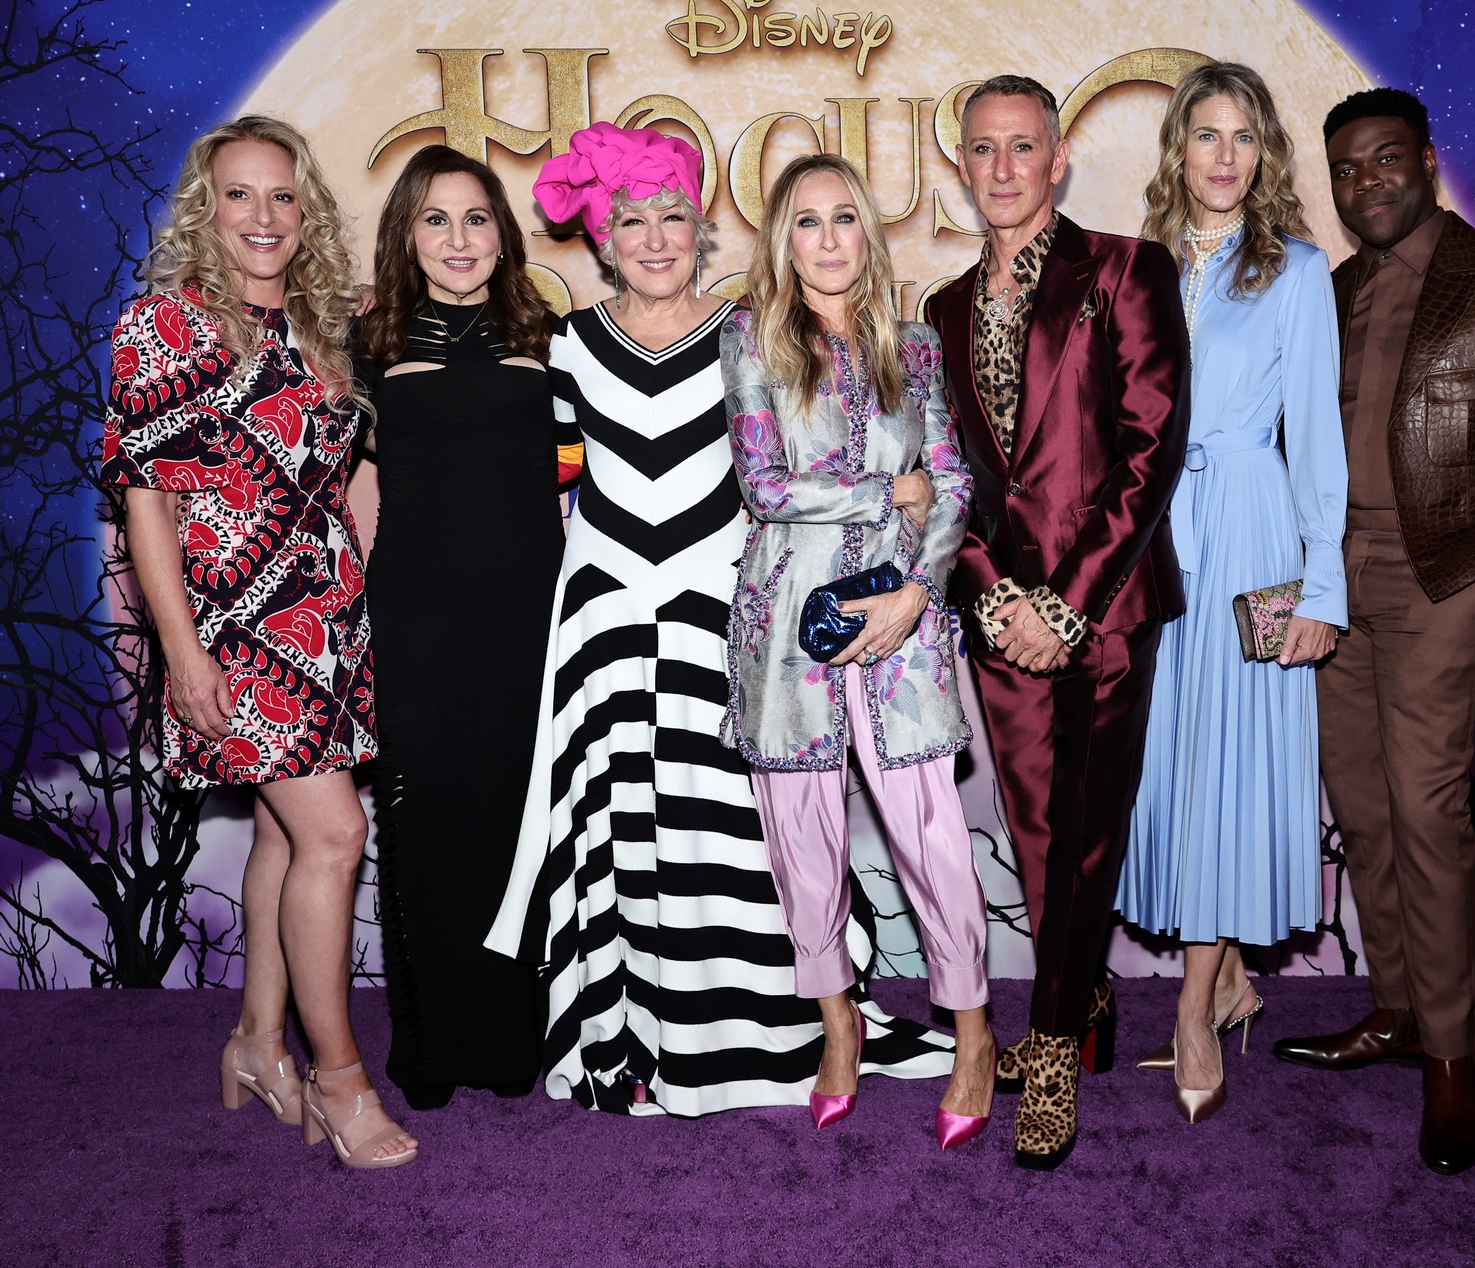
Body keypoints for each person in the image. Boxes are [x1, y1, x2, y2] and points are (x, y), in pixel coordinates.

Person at [485, 124, 950, 1116]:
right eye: (630, 222)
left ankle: (767, 1033)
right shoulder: (567, 346)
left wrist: (905, 501)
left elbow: (809, 464)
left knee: (740, 832)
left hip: (727, 612)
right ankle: (630, 1039)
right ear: (602, 240)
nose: (653, 239)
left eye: (672, 217)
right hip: (606, 619)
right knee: (622, 827)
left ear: (700, 231)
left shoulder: (756, 333)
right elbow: (551, 488)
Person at [1270, 88, 1475, 1175]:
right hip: (1334, 588)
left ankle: (1454, 1059)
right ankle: (1399, 1011)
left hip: (1442, 585)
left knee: (1424, 811)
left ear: (1423, 159)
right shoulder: (1326, 296)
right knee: (1365, 814)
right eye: (1345, 170)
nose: (1364, 183)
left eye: (1383, 160)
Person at [103, 115, 415, 1169]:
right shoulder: (165, 325)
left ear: (305, 209)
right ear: (207, 210)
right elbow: (146, 500)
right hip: (234, 628)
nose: (263, 216)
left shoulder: (320, 326)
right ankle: (340, 1080)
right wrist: (182, 652)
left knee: (286, 839)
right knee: (334, 837)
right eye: (239, 195)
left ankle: (253, 1040)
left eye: (282, 195)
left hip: (327, 620)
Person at [924, 75, 1190, 1169]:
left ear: (1057, 158)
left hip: (1105, 604)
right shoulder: (943, 309)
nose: (1002, 168)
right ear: (961, 165)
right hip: (1002, 616)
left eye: (1021, 146)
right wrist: (991, 591)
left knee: (1085, 831)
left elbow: (1150, 446)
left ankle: (1049, 1052)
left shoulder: (1126, 268)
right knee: (1038, 836)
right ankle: (1084, 1005)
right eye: (982, 149)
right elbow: (951, 477)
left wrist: (1066, 604)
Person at [720, 153, 995, 1147]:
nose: (828, 238)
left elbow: (952, 481)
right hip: (789, 619)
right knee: (801, 837)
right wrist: (889, 490)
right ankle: (838, 1023)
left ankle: (972, 1034)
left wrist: (919, 590)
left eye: (844, 218)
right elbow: (764, 485)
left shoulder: (913, 347)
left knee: (932, 836)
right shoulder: (751, 338)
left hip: (902, 612)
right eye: (807, 221)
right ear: (782, 241)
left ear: (866, 236)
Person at [1115, 63, 1346, 1124]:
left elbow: (1318, 438)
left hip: (1252, 528)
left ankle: (1194, 1010)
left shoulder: (1295, 270)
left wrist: (1322, 586)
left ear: (1265, 153)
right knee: (1172, 763)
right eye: (1205, 134)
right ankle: (1231, 981)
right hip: (1158, 533)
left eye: (1243, 136)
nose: (1223, 156)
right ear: (1178, 148)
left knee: (1229, 767)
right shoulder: (1142, 265)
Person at [351, 144, 570, 1110]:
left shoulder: (549, 333)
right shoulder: (366, 343)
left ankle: (513, 1035)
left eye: (476, 217)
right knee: (425, 822)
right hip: (418, 616)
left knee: (518, 820)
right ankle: (432, 1044)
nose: (458, 238)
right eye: (435, 219)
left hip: (530, 612)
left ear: (503, 232)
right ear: (407, 233)